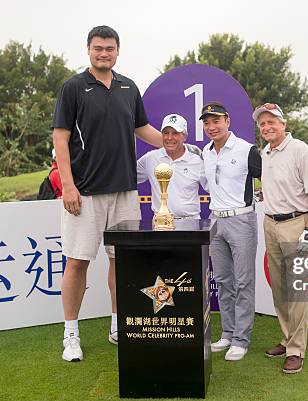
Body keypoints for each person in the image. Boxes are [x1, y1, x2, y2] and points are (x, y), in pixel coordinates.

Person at [52, 25, 162, 362]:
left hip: (125, 192)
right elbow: (60, 138)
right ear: (88, 49)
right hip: (84, 193)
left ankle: (117, 324)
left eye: (109, 48)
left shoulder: (129, 87)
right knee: (77, 263)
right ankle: (71, 334)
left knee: (121, 261)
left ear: (118, 50)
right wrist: (69, 186)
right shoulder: (73, 87)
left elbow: (142, 129)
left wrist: (173, 144)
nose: (104, 53)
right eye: (98, 48)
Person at [253, 102, 308, 374]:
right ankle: (287, 338)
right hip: (270, 223)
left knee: (296, 290)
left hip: (296, 224)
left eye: (272, 122)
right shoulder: (265, 152)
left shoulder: (299, 149)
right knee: (280, 288)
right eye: (262, 124)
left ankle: (296, 350)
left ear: (283, 124)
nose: (267, 127)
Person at [201, 102, 262, 361]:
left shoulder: (247, 149)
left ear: (227, 120)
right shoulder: (205, 151)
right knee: (224, 281)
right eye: (206, 122)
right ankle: (227, 333)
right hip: (216, 221)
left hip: (241, 220)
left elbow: (266, 177)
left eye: (216, 121)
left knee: (244, 281)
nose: (211, 127)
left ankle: (241, 339)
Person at [136, 114, 207, 219]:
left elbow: (213, 186)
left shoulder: (197, 159)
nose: (169, 138)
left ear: (184, 136)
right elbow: (128, 176)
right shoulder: (150, 158)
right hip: (160, 224)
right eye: (165, 133)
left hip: (190, 223)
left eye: (175, 133)